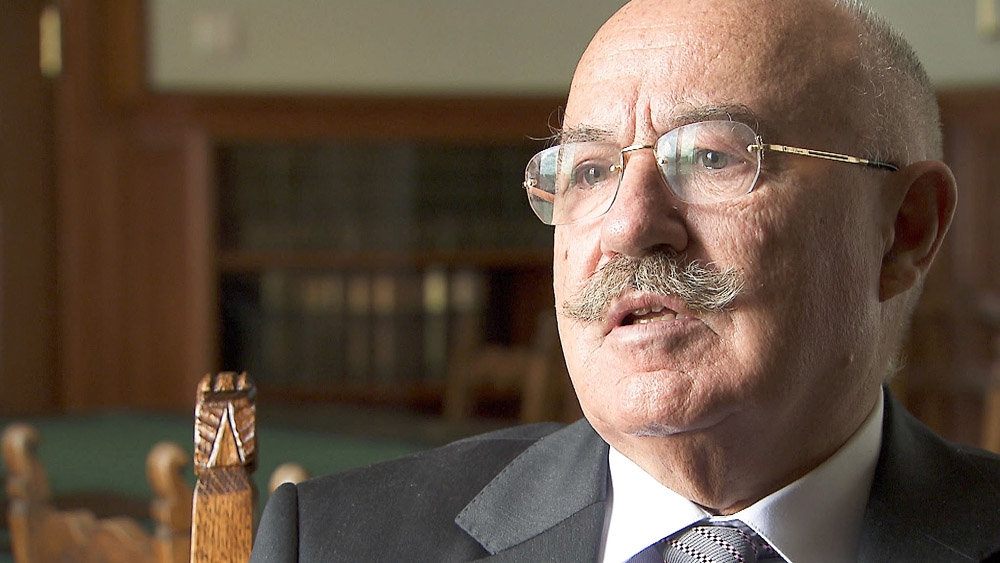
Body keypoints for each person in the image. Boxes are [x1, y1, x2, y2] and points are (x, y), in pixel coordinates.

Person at [250, 0, 1000, 561]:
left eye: (713, 157)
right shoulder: (333, 544)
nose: (628, 226)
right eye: (589, 171)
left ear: (905, 230)